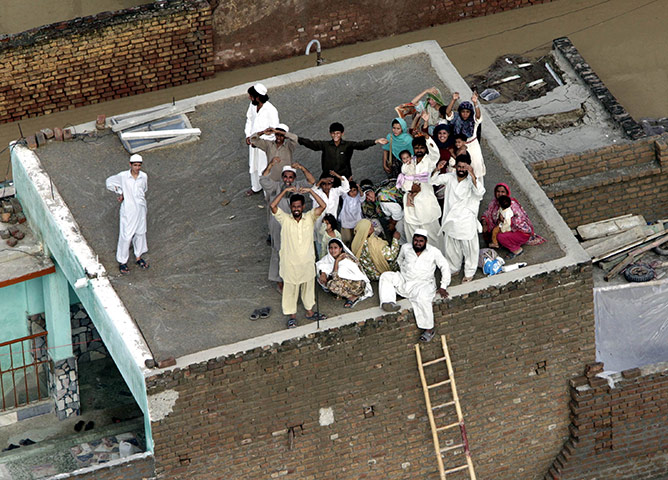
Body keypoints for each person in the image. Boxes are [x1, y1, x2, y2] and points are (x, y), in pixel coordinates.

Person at [378, 229, 450, 342]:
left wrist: (443, 286)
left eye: (421, 241)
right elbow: (399, 259)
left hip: (423, 284)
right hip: (405, 280)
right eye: (415, 240)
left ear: (426, 241)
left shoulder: (433, 251)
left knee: (423, 298)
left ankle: (429, 329)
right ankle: (389, 302)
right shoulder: (406, 248)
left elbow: (444, 266)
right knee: (386, 276)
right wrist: (404, 269)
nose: (417, 243)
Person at [271, 187, 327, 329]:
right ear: (291, 207)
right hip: (290, 264)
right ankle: (292, 317)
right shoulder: (285, 219)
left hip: (307, 262)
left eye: (299, 206)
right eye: (294, 206)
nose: (296, 209)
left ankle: (309, 312)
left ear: (303, 207)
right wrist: (285, 192)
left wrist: (310, 191)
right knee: (291, 290)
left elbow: (323, 206)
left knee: (308, 288)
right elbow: (273, 206)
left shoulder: (309, 217)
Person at [260, 162, 316, 291]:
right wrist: (270, 165)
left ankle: (295, 277)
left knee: (296, 250)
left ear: (294, 178)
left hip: (295, 224)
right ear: (282, 177)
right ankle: (279, 279)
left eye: (291, 177)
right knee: (279, 250)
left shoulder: (298, 186)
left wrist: (302, 167)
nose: (288, 180)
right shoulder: (276, 186)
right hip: (278, 224)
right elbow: (263, 180)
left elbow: (312, 181)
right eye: (285, 177)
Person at [431, 154, 485, 282]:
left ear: (468, 168)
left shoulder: (472, 181)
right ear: (455, 167)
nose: (461, 169)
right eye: (459, 166)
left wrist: (472, 174)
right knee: (452, 247)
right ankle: (454, 267)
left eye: (464, 167)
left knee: (469, 248)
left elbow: (479, 193)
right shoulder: (450, 177)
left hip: (466, 219)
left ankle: (469, 272)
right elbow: (432, 181)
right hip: (451, 219)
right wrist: (437, 169)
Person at [105, 154, 149, 275]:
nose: (137, 168)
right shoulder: (123, 176)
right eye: (135, 165)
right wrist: (120, 191)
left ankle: (138, 257)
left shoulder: (143, 176)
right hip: (128, 210)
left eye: (139, 165)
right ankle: (122, 261)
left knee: (140, 233)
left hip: (140, 209)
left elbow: (143, 190)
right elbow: (109, 182)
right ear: (130, 165)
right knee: (126, 235)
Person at [296, 122, 388, 178]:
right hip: (328, 177)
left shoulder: (348, 145)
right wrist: (296, 138)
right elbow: (311, 144)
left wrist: (375, 141)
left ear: (342, 133)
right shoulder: (325, 145)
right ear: (330, 133)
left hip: (344, 177)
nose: (335, 135)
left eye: (338, 133)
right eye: (333, 133)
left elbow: (361, 145)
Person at [397, 136, 442, 246]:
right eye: (416, 148)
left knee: (431, 231)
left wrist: (427, 138)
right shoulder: (409, 161)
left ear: (426, 149)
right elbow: (405, 178)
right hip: (411, 200)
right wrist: (410, 189)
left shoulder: (430, 160)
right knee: (412, 229)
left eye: (422, 148)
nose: (419, 150)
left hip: (426, 198)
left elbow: (436, 153)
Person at [481, 183, 546, 257]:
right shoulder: (494, 203)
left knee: (499, 236)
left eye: (503, 192)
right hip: (503, 227)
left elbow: (519, 220)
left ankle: (516, 250)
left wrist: (505, 221)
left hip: (519, 231)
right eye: (498, 191)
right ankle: (504, 240)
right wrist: (485, 224)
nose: (500, 194)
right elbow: (486, 214)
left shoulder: (511, 204)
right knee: (493, 232)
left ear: (507, 193)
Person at [244, 83, 279, 196]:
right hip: (253, 143)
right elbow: (249, 120)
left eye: (251, 96)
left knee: (264, 168)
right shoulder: (252, 105)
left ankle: (267, 193)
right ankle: (256, 187)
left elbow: (273, 131)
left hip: (264, 146)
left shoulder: (271, 110)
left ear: (257, 97)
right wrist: (248, 135)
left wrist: (259, 142)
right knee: (253, 165)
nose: (249, 98)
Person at [316, 238, 373, 309]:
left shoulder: (346, 259)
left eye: (335, 248)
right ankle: (344, 295)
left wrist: (337, 261)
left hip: (357, 286)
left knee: (332, 284)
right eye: (331, 248)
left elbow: (335, 277)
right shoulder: (328, 258)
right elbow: (320, 266)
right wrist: (323, 273)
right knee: (327, 280)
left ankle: (353, 297)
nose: (333, 250)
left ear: (340, 249)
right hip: (345, 283)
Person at [443, 91, 486, 181]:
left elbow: (478, 116)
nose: (465, 114)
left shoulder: (473, 120)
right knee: (460, 168)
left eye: (467, 112)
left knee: (476, 168)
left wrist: (475, 103)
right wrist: (453, 100)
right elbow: (448, 113)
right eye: (463, 112)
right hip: (459, 145)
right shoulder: (456, 118)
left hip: (472, 145)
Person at [339, 181, 365, 246]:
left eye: (354, 190)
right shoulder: (345, 197)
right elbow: (343, 187)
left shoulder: (358, 197)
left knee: (356, 239)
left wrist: (359, 189)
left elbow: (362, 196)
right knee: (346, 239)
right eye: (350, 191)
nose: (353, 192)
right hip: (346, 220)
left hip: (356, 220)